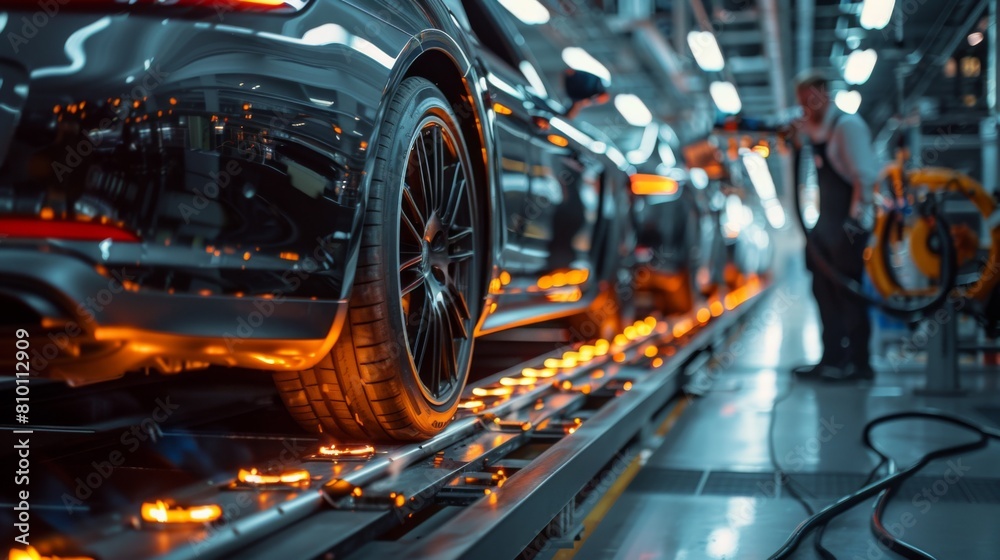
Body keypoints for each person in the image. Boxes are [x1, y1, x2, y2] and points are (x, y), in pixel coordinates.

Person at [790, 70, 880, 381]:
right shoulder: (819, 131)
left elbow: (865, 178)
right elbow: (804, 139)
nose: (805, 108)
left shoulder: (847, 126)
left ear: (823, 94)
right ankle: (832, 359)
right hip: (826, 226)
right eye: (801, 102)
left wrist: (853, 227)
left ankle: (859, 364)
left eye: (809, 101)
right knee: (823, 290)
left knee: (849, 295)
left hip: (848, 225)